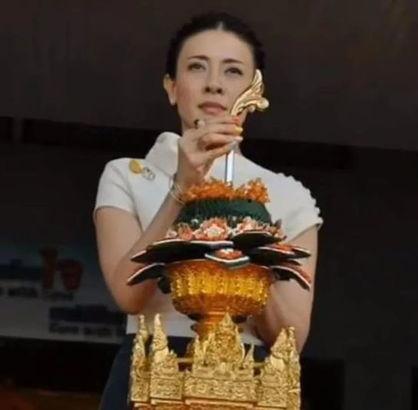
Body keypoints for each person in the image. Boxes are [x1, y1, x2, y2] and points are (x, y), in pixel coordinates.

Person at [94, 11, 322, 408]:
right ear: (172, 87)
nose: (214, 83)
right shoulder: (128, 175)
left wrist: (247, 231)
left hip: (245, 380)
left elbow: (290, 338)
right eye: (197, 67)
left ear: (255, 92)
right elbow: (128, 295)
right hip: (151, 369)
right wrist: (181, 189)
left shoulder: (289, 196)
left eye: (233, 71)